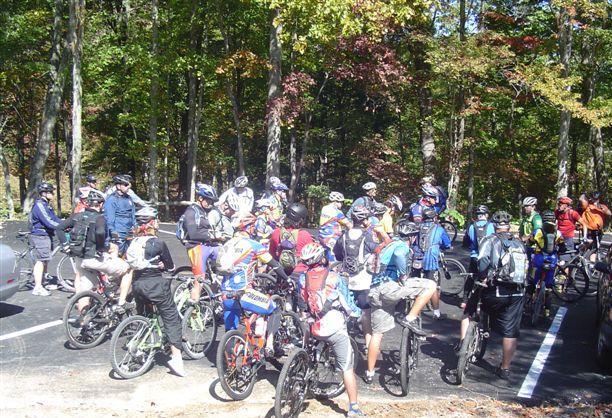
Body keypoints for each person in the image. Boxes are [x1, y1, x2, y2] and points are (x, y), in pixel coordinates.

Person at [297, 242, 365, 417]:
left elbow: (303, 302)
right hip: (334, 329)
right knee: (347, 368)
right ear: (322, 258)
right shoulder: (335, 279)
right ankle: (353, 408)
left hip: (313, 327)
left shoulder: (302, 278)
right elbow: (350, 308)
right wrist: (359, 314)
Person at [365, 221, 437, 385]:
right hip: (390, 288)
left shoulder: (385, 245)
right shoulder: (402, 246)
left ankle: (369, 372)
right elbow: (399, 255)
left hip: (375, 290)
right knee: (430, 285)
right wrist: (403, 275)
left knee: (377, 334)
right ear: (412, 237)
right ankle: (410, 318)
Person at [465, 210, 528, 380]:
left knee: (473, 306)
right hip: (516, 292)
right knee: (511, 332)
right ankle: (505, 368)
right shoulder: (519, 243)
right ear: (509, 226)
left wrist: (482, 277)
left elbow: (483, 260)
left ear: (494, 225)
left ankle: (471, 336)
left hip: (495, 289)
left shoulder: (490, 239)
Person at [127, 206, 185, 377]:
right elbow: (170, 266)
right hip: (155, 284)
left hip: (137, 284)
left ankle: (139, 345)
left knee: (145, 316)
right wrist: (162, 265)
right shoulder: (158, 243)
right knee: (171, 318)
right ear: (153, 223)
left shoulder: (134, 242)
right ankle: (176, 358)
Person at [55, 190, 131, 309]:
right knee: (128, 269)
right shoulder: (99, 218)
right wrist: (101, 248)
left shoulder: (77, 216)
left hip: (80, 259)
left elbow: (59, 228)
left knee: (84, 293)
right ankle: (121, 303)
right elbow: (100, 232)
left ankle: (83, 321)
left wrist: (65, 244)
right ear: (100, 204)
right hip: (93, 259)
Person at [216, 223, 290, 335]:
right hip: (244, 294)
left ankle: (231, 348)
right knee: (274, 309)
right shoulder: (253, 245)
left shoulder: (228, 243)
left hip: (226, 295)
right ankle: (269, 346)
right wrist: (287, 279)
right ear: (250, 228)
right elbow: (274, 265)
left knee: (230, 332)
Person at [333, 205, 377, 352]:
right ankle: (369, 345)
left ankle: (342, 345)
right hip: (363, 279)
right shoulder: (368, 235)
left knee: (345, 311)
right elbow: (376, 251)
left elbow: (338, 255)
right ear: (364, 220)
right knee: (366, 313)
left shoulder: (343, 235)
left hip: (346, 279)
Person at [181, 184, 225, 301]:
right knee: (199, 279)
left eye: (212, 202)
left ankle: (215, 297)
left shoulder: (205, 211)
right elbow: (193, 234)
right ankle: (193, 310)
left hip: (208, 245)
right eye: (209, 201)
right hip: (195, 247)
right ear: (200, 198)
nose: (211, 204)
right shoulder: (191, 211)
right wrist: (215, 236)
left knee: (227, 265)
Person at [410, 206, 451, 320]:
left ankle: (412, 309)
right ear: (434, 218)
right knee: (432, 286)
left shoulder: (417, 227)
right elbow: (447, 243)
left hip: (417, 258)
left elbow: (413, 242)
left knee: (414, 283)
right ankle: (436, 312)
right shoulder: (439, 229)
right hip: (430, 260)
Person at [529, 210, 566, 318]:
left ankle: (528, 298)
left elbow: (530, 242)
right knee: (549, 284)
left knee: (532, 279)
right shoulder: (558, 233)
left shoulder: (538, 231)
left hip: (539, 258)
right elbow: (563, 247)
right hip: (552, 259)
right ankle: (547, 309)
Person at [28, 182, 62, 296]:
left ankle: (44, 282)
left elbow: (55, 218)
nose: (53, 194)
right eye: (51, 192)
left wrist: (66, 223)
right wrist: (61, 227)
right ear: (44, 193)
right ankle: (37, 287)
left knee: (46, 259)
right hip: (40, 235)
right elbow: (48, 221)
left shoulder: (47, 204)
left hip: (47, 234)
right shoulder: (40, 205)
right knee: (41, 260)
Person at [462, 205, 495, 308]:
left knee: (471, 277)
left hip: (474, 256)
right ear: (486, 215)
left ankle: (464, 300)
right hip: (486, 257)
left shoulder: (472, 226)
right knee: (487, 278)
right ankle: (485, 301)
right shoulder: (491, 226)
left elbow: (466, 243)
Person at [268, 202, 314, 277]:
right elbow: (311, 257)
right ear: (301, 220)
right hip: (300, 272)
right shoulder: (305, 235)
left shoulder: (276, 232)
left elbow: (272, 253)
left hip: (281, 272)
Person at [104, 174, 136, 254]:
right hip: (119, 233)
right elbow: (109, 219)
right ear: (118, 186)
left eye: (129, 185)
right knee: (118, 256)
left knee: (130, 255)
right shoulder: (112, 200)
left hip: (129, 232)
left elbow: (132, 214)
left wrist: (135, 226)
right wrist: (113, 232)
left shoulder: (129, 198)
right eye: (125, 185)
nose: (128, 187)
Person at [318, 191, 352, 262]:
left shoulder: (324, 208)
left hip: (322, 237)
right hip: (332, 239)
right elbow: (348, 225)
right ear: (335, 202)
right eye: (340, 202)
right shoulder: (337, 212)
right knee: (334, 261)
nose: (342, 204)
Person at [579, 191, 611, 260]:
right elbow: (581, 200)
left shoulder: (602, 206)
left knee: (595, 248)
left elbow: (609, 213)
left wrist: (603, 209)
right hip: (589, 230)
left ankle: (591, 264)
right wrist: (583, 195)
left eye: (596, 199)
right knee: (587, 246)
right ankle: (581, 259)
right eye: (593, 198)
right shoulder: (587, 206)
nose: (594, 200)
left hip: (598, 231)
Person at [518, 196, 542, 261]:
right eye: (524, 206)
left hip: (534, 246)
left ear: (533, 207)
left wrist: (526, 238)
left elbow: (537, 231)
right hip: (526, 246)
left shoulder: (536, 217)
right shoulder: (525, 218)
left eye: (527, 206)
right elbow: (521, 231)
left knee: (532, 266)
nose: (525, 208)